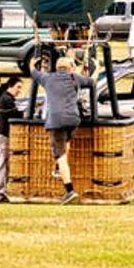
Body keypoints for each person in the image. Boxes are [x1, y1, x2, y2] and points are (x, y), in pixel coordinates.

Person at [31, 56, 94, 205]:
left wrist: (32, 63)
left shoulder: (48, 79)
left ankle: (69, 190)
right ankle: (60, 168)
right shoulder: (75, 78)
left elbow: (33, 72)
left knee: (60, 155)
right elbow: (92, 81)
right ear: (70, 67)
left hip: (56, 121)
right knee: (66, 142)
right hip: (73, 120)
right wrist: (96, 67)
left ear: (57, 67)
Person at [0, 76, 23, 203]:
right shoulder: (6, 99)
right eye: (18, 87)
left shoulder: (6, 98)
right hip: (2, 136)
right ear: (11, 86)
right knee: (2, 165)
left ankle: (2, 191)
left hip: (0, 136)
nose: (19, 90)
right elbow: (16, 114)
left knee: (5, 165)